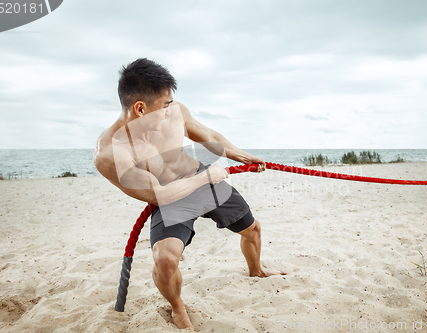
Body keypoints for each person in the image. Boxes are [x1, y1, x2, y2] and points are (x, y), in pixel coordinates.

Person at [94, 58, 284, 329]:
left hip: (198, 178)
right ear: (140, 109)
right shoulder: (111, 153)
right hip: (170, 197)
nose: (171, 109)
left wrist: (243, 156)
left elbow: (209, 136)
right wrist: (208, 176)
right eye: (164, 105)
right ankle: (177, 305)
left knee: (252, 230)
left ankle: (256, 270)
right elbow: (161, 195)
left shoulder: (175, 112)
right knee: (165, 261)